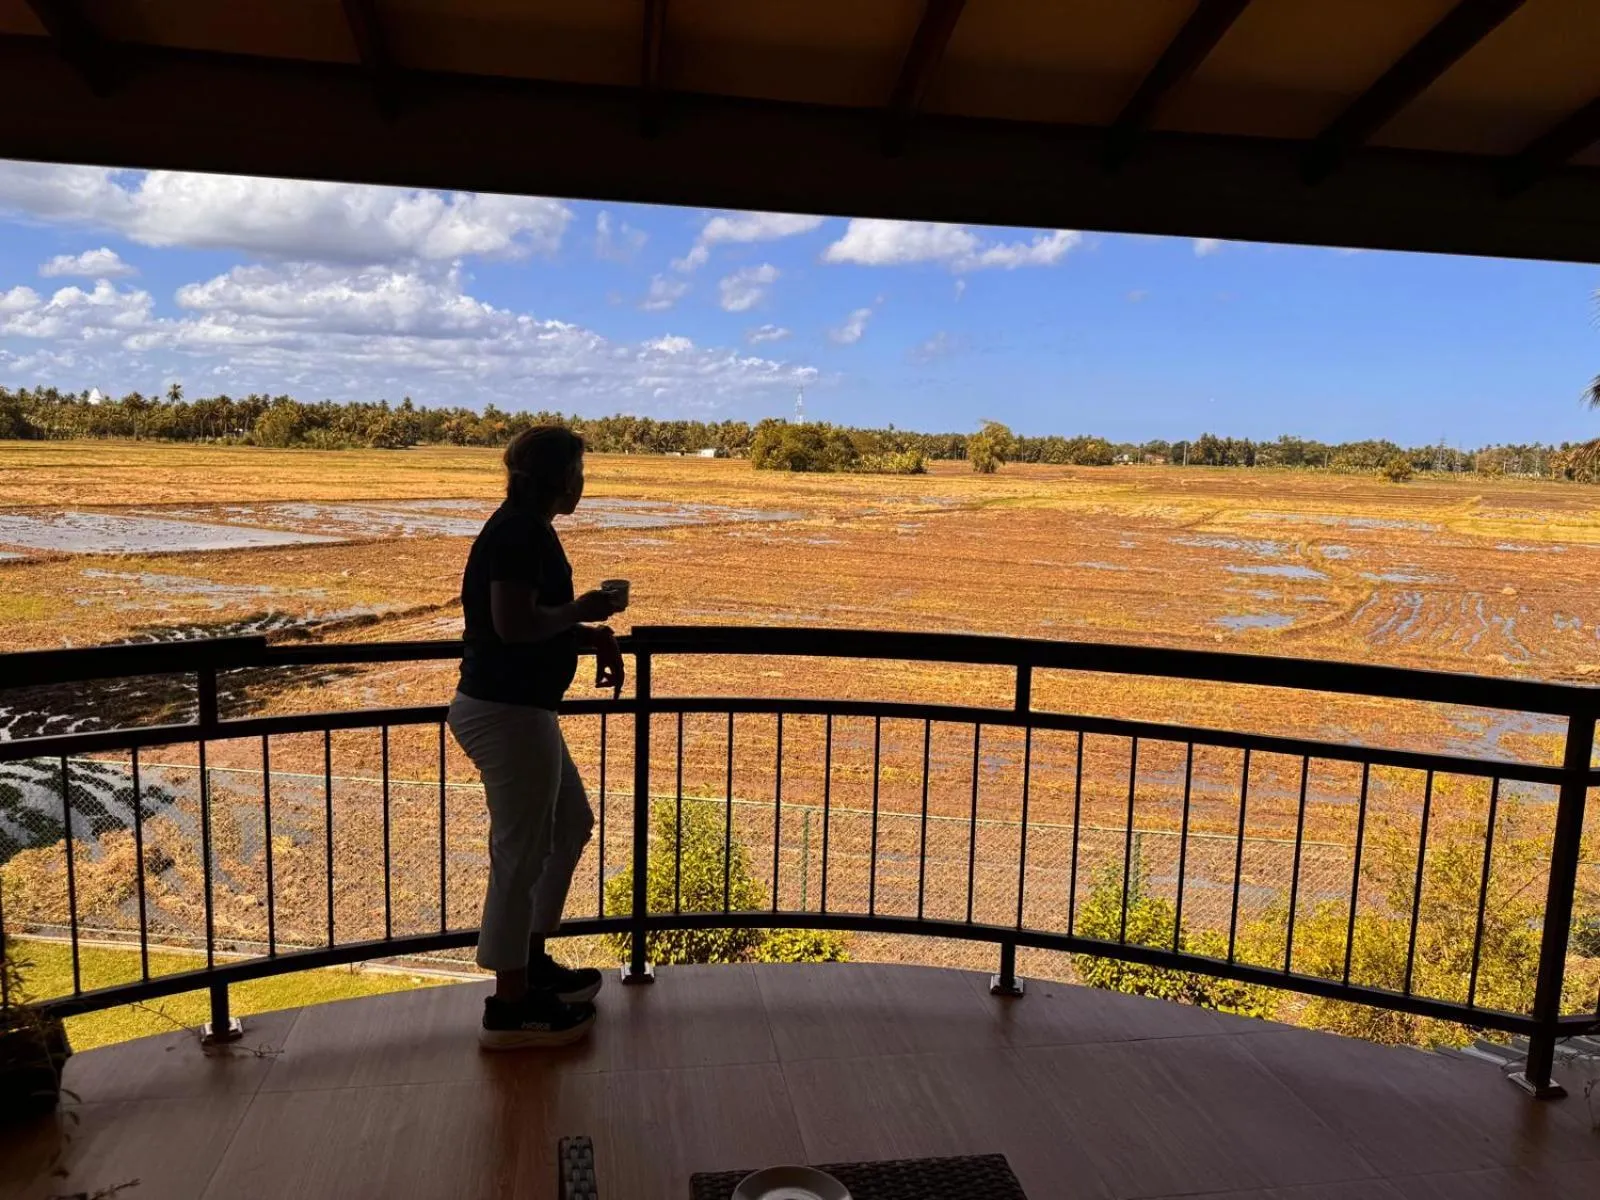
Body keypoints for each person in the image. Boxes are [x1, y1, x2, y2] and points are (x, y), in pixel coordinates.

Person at [447, 425, 626, 1050]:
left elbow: (521, 627)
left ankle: (530, 956)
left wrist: (585, 636)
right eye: (579, 471)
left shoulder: (527, 528)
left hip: (520, 708)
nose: (583, 483)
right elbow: (513, 625)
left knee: (568, 824)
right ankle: (511, 1003)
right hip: (506, 710)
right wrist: (583, 613)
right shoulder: (520, 533)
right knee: (521, 852)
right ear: (555, 478)